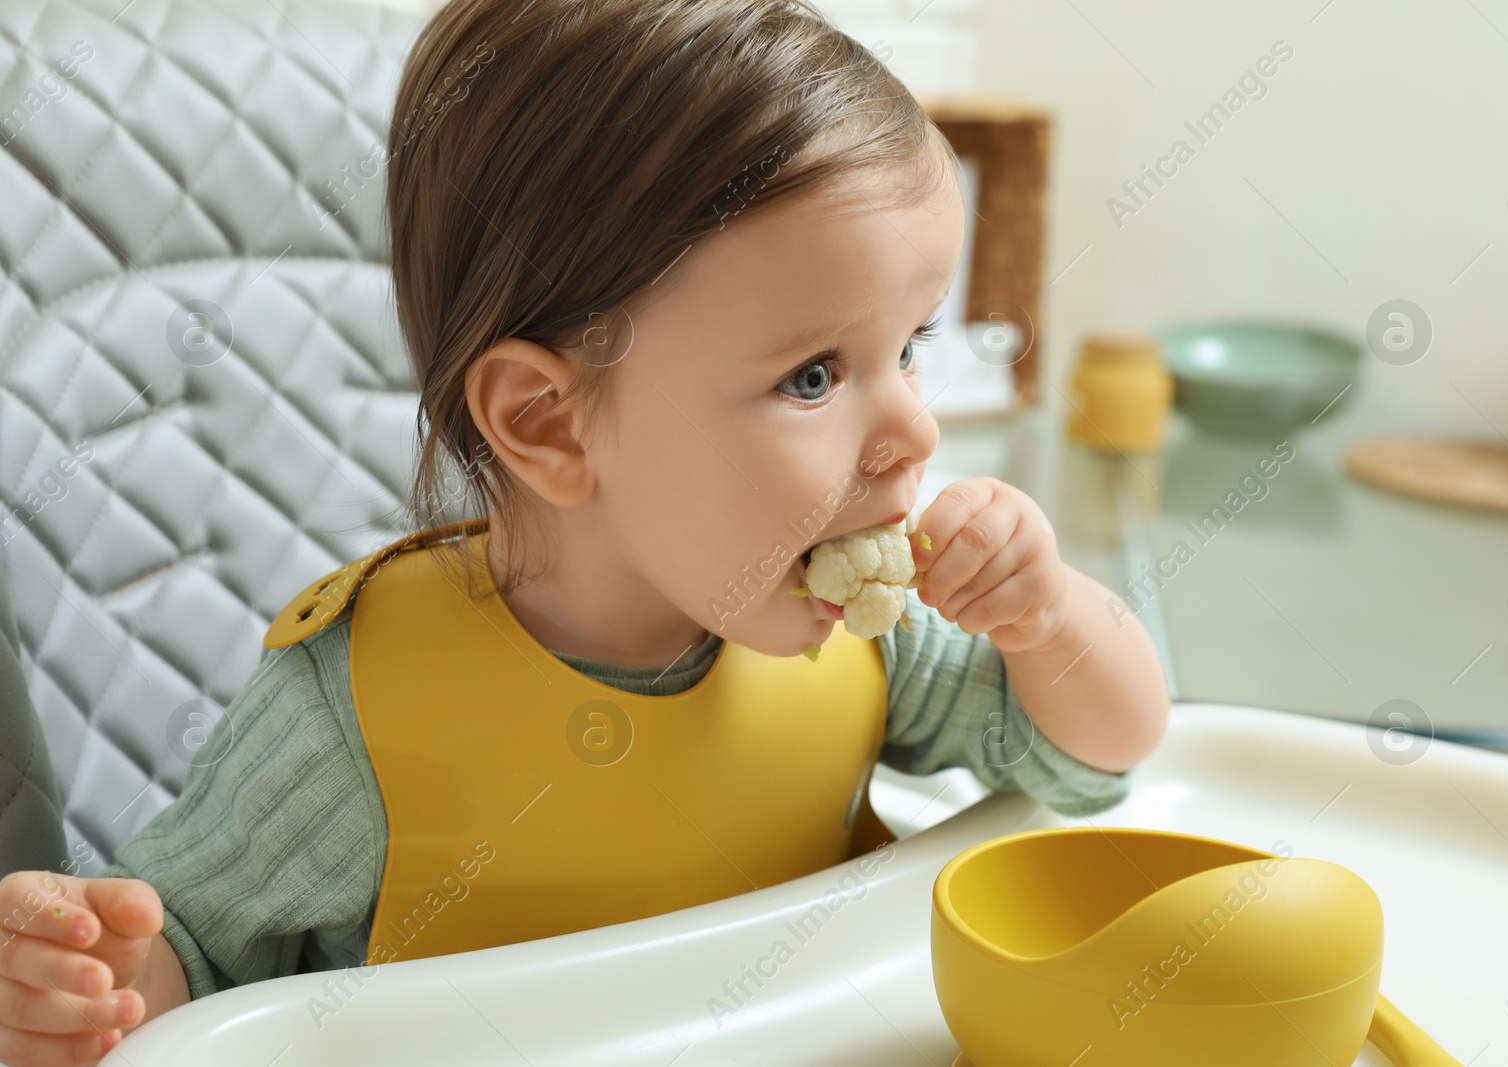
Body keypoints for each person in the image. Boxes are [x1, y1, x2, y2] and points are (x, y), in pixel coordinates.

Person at [0, 0, 1170, 1061]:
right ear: (548, 422)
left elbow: (1095, 756)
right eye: (815, 375)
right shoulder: (352, 714)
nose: (913, 431)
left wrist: (1048, 614)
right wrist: (93, 981)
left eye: (906, 348)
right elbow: (196, 968)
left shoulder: (866, 641)